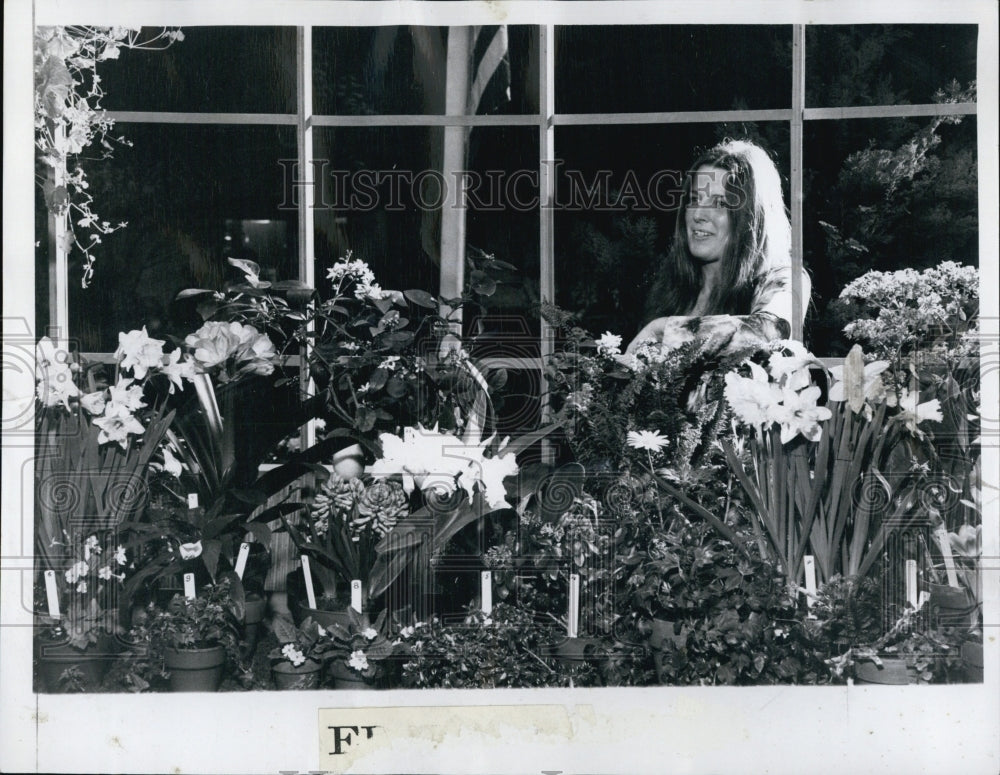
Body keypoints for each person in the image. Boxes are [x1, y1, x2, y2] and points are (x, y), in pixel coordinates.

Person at [626, 139, 810, 357]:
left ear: (753, 217)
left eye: (720, 203)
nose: (697, 215)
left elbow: (764, 332)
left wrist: (663, 330)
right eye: (694, 199)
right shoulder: (669, 287)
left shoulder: (785, 280)